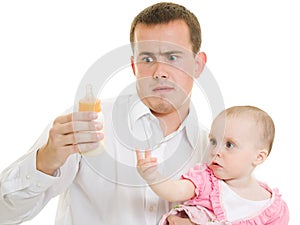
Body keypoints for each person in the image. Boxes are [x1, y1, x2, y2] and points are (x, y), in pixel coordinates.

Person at [0, 2, 209, 225]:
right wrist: (45, 161)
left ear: (197, 65)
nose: (160, 72)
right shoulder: (86, 125)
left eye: (173, 57)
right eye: (147, 59)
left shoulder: (214, 150)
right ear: (133, 66)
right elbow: (5, 213)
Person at [136, 105, 289, 225]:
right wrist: (153, 176)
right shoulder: (206, 180)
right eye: (213, 141)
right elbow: (175, 191)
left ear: (259, 157)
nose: (215, 151)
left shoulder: (273, 209)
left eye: (229, 145)